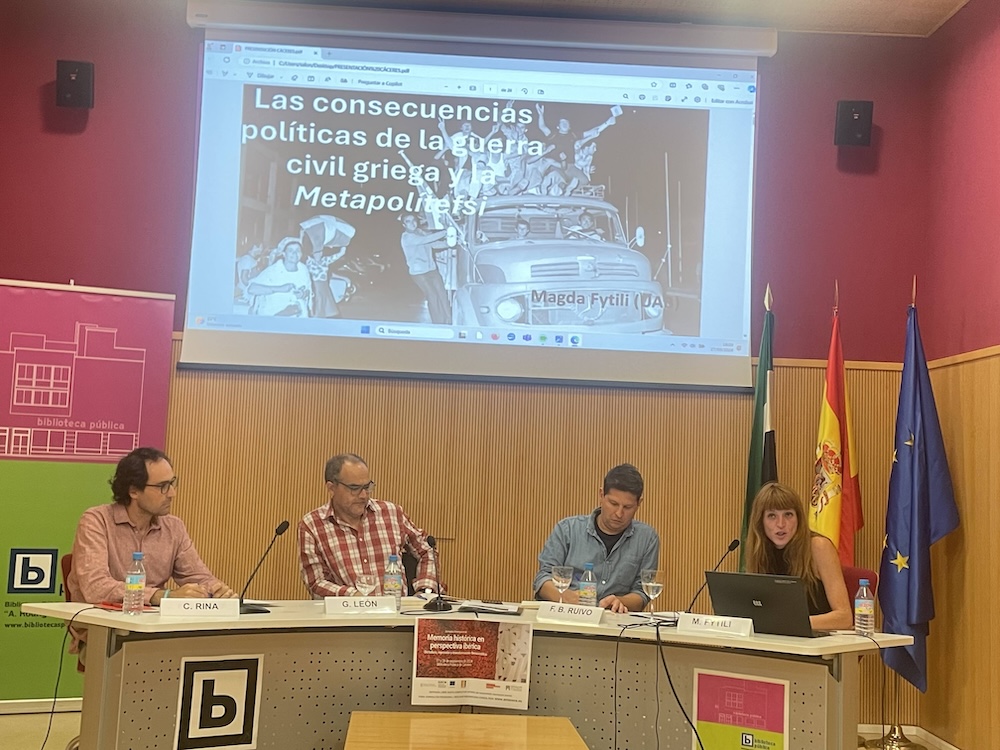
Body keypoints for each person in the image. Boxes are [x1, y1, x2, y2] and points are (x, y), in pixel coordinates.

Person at [67, 448, 236, 653]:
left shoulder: (174, 527)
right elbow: (96, 588)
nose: (172, 493)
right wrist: (162, 596)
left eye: (172, 483)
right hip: (105, 636)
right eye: (162, 486)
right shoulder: (97, 521)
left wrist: (216, 590)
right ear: (134, 491)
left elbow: (198, 576)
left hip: (158, 632)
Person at [298, 453, 440, 597]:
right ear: (331, 488)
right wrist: (353, 596)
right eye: (354, 488)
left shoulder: (391, 513)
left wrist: (425, 590)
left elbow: (427, 549)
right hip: (348, 609)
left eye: (367, 487)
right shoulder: (313, 525)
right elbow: (316, 582)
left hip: (396, 609)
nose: (363, 495)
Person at [533, 463, 659, 614]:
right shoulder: (568, 529)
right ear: (601, 495)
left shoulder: (647, 539)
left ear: (639, 503)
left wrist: (621, 602)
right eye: (613, 503)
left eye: (627, 507)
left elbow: (642, 592)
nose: (619, 513)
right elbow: (543, 578)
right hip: (567, 615)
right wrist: (565, 597)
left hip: (615, 621)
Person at [744, 482, 853, 630]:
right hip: (778, 638)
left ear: (799, 518)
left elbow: (844, 618)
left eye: (788, 514)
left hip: (819, 640)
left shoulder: (818, 547)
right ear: (760, 522)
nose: (781, 524)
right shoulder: (759, 551)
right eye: (772, 516)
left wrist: (788, 624)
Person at [399, 213, 451, 324]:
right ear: (404, 225)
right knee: (432, 296)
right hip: (419, 273)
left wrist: (450, 243)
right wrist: (446, 232)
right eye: (408, 221)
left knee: (442, 294)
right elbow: (426, 240)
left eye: (413, 220)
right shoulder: (406, 237)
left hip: (431, 269)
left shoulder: (420, 232)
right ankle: (439, 323)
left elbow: (433, 244)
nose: (412, 223)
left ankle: (449, 319)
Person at [247, 236, 312, 316]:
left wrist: (303, 294)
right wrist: (280, 288)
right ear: (284, 254)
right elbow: (251, 289)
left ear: (301, 254)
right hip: (274, 314)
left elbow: (308, 290)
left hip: (298, 315)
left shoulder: (304, 270)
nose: (295, 253)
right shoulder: (273, 270)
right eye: (290, 250)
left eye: (298, 250)